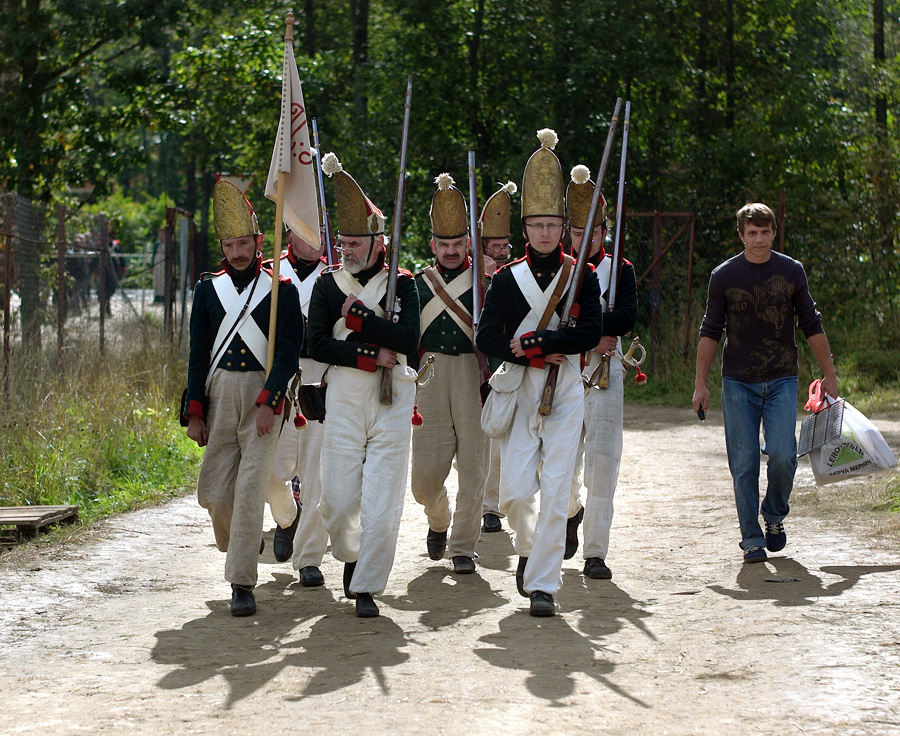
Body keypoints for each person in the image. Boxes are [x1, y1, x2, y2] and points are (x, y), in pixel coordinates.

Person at [475, 129, 603, 617]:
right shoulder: (507, 279)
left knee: (555, 487)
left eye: (553, 225)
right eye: (538, 225)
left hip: (567, 388)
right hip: (520, 388)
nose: (546, 233)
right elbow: (488, 337)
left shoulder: (581, 276)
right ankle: (528, 553)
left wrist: (547, 343)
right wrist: (530, 353)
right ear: (525, 229)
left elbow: (589, 332)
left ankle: (545, 583)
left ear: (564, 228)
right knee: (513, 493)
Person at [692, 202, 838, 563]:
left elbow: (810, 322)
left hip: (782, 377)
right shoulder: (724, 276)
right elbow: (711, 330)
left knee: (785, 455)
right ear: (741, 235)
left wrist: (830, 373)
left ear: (774, 232)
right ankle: (752, 538)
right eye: (751, 232)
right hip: (738, 381)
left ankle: (773, 516)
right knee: (743, 463)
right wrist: (700, 384)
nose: (759, 238)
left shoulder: (791, 271)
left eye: (765, 231)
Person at [307, 153, 420, 618]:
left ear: (377, 242)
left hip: (394, 399)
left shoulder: (405, 284)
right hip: (345, 394)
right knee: (336, 498)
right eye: (342, 241)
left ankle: (367, 584)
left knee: (382, 498)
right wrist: (370, 349)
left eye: (354, 241)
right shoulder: (327, 285)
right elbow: (316, 344)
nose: (345, 249)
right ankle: (350, 554)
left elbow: (409, 339)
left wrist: (359, 320)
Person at [184, 181, 302, 616]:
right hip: (218, 396)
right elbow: (198, 355)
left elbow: (288, 352)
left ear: (258, 241)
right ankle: (240, 544)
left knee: (251, 490)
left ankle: (242, 581)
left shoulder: (280, 291)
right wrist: (194, 411)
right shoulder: (207, 290)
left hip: (261, 396)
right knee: (215, 493)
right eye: (229, 244)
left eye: (243, 243)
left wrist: (270, 401)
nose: (236, 252)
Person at [410, 173, 490, 575]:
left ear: (468, 244)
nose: (452, 251)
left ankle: (463, 547)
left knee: (474, 468)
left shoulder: (487, 282)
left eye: (459, 244)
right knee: (423, 480)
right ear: (433, 246)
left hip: (474, 375)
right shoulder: (417, 285)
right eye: (444, 244)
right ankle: (438, 520)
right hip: (430, 374)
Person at [563, 165, 637, 580]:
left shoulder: (620, 269)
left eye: (592, 232)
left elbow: (626, 316)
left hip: (607, 369)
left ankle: (595, 552)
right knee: (559, 459)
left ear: (604, 232)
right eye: (577, 232)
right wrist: (591, 336)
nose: (584, 239)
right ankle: (572, 511)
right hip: (565, 368)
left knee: (603, 459)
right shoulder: (556, 271)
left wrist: (595, 332)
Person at [263, 226, 330, 585]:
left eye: (320, 231)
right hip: (279, 375)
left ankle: (309, 559)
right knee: (271, 469)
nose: (316, 239)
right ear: (289, 236)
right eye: (307, 231)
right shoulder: (270, 273)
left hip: (320, 377)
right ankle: (287, 516)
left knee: (316, 471)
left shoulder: (336, 274)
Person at [478, 181, 517, 535]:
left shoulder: (512, 275)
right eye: (496, 246)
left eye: (506, 245)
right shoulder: (471, 276)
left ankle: (492, 507)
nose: (503, 251)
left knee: (499, 442)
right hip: (473, 363)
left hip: (504, 364)